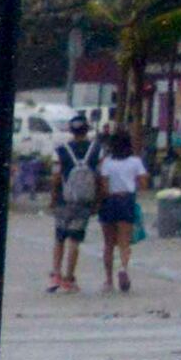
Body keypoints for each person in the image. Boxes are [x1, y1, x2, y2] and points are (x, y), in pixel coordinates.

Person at [46, 119, 100, 290]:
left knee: (59, 238)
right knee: (75, 240)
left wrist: (53, 198)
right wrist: (97, 201)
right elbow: (100, 177)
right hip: (84, 201)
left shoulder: (61, 150)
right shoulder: (96, 150)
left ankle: (56, 274)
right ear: (87, 130)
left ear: (71, 131)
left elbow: (55, 177)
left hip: (64, 200)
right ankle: (69, 277)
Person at [95, 128, 148, 292]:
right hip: (127, 200)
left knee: (108, 244)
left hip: (110, 201)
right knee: (124, 242)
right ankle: (123, 269)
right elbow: (144, 184)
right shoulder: (135, 161)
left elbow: (103, 187)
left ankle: (108, 281)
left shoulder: (106, 162)